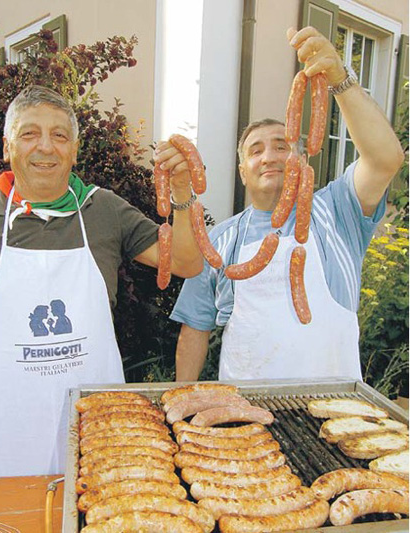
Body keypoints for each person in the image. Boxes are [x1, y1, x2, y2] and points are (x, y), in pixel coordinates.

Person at [0, 85, 203, 479]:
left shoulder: (103, 210)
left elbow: (185, 262)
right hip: (0, 431)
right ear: (7, 147)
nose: (46, 146)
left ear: (74, 151)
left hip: (96, 428)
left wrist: (181, 192)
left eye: (59, 135)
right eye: (29, 133)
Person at [171, 26, 404, 383]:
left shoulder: (339, 209)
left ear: (301, 159)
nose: (269, 157)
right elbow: (194, 328)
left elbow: (386, 159)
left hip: (333, 402)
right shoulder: (218, 241)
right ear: (242, 172)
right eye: (256, 150)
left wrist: (339, 79)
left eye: (282, 145)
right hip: (244, 408)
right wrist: (181, 398)